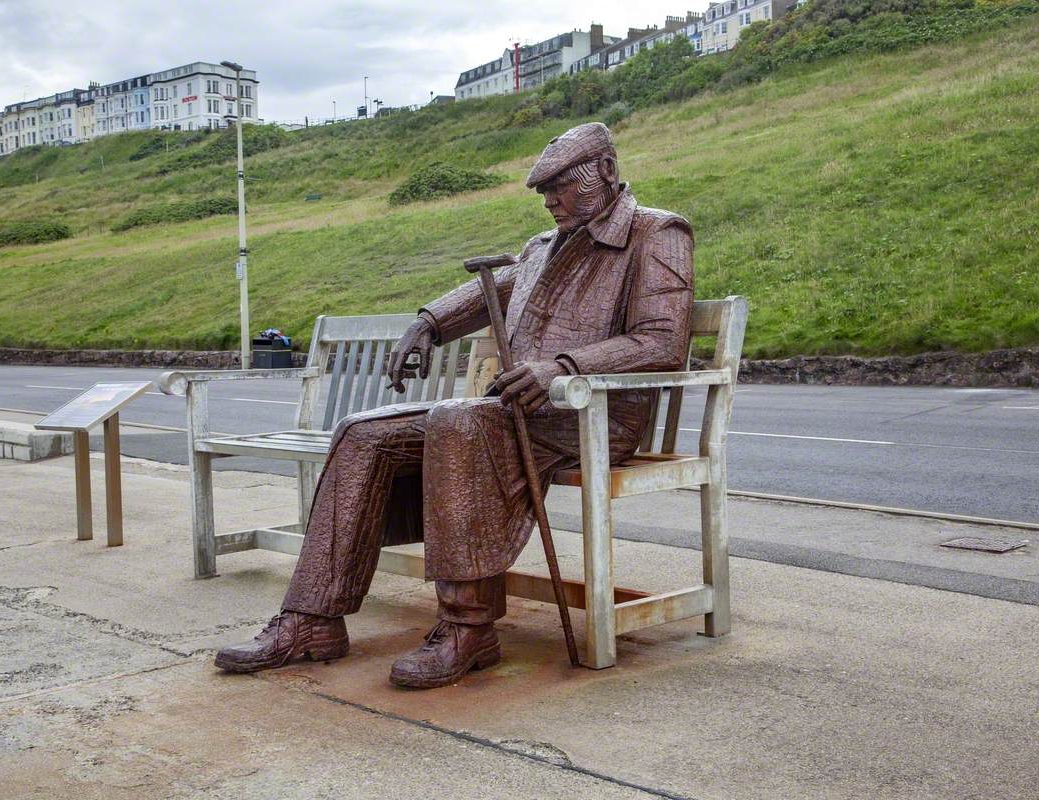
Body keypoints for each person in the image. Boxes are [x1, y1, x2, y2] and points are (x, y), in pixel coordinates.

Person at [215, 122, 695, 688]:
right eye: (544, 190)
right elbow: (494, 289)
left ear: (607, 172)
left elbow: (661, 341)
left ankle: (469, 628)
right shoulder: (544, 246)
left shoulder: (655, 232)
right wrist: (429, 322)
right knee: (361, 434)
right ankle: (311, 619)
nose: (550, 200)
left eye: (563, 185)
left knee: (460, 423)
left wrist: (563, 367)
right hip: (511, 415)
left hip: (590, 417)